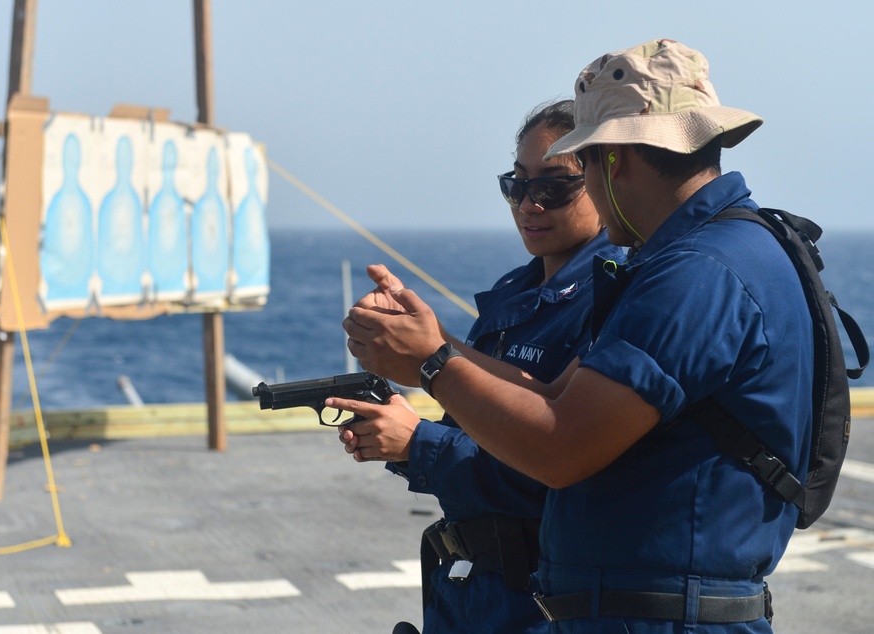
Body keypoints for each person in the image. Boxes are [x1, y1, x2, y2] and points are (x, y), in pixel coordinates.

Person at [332, 39, 810, 633]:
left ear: (615, 160)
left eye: (578, 168)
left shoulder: (697, 273)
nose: (535, 201)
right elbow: (556, 395)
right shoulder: (714, 253)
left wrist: (431, 365)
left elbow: (560, 449)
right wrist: (432, 344)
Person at [338, 100, 624, 633]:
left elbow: (557, 458)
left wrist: (417, 442)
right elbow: (478, 417)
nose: (528, 204)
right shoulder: (516, 292)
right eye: (516, 185)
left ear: (606, 181)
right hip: (471, 590)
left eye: (553, 186)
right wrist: (416, 342)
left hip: (543, 602)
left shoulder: (620, 297)